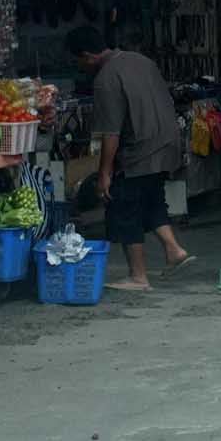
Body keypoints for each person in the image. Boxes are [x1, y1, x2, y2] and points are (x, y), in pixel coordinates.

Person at [66, 27, 194, 290]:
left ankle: (138, 276)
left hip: (140, 149)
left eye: (79, 61)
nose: (81, 67)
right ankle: (174, 250)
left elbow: (111, 133)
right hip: (168, 141)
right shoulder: (140, 60)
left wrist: (104, 173)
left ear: (88, 56)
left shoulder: (105, 79)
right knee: (151, 199)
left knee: (124, 207)